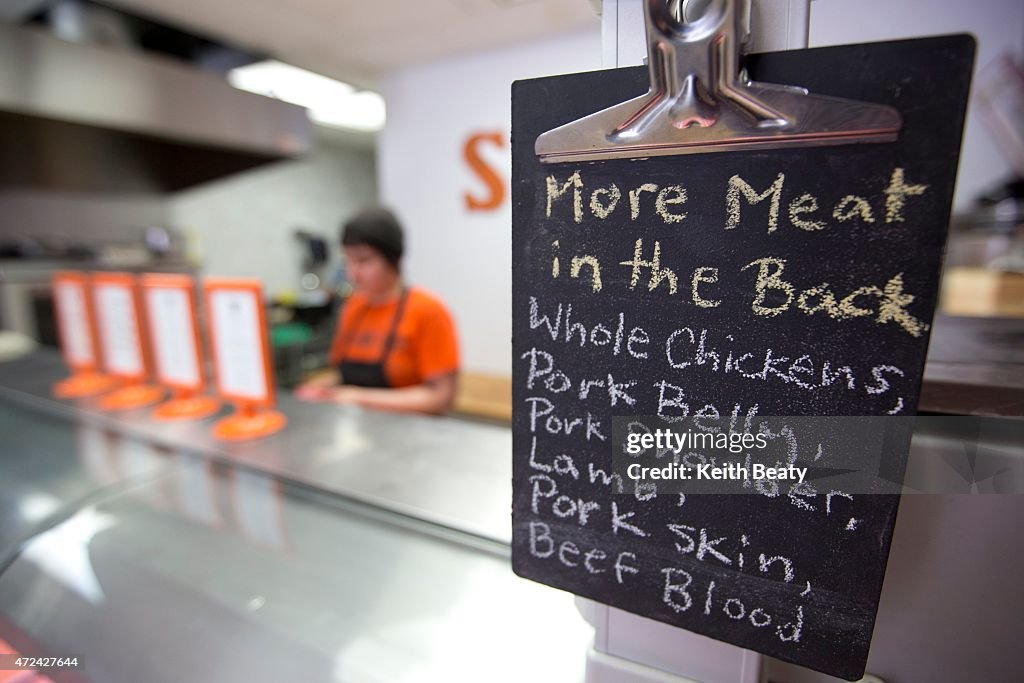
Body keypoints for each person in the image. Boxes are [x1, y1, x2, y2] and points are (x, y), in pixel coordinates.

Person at [294, 207, 459, 414]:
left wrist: (359, 397)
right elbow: (344, 375)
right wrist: (321, 388)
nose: (353, 273)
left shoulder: (428, 310)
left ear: (393, 260)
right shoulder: (353, 308)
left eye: (364, 261)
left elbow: (441, 397)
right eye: (348, 261)